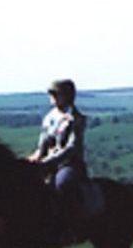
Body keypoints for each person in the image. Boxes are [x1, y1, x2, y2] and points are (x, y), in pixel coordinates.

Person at [27, 78, 88, 233]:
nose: (52, 97)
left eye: (56, 94)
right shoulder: (49, 117)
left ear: (67, 96)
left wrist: (48, 162)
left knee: (61, 185)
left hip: (69, 164)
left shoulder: (75, 118)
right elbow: (43, 143)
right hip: (47, 163)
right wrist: (36, 157)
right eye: (52, 93)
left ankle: (68, 226)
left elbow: (72, 147)